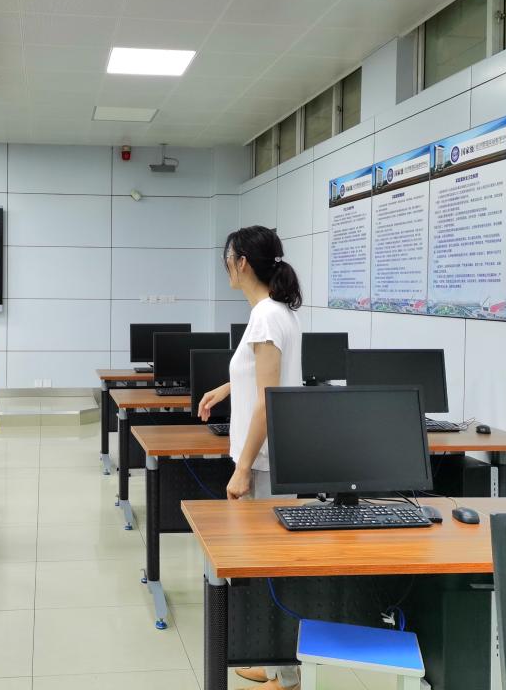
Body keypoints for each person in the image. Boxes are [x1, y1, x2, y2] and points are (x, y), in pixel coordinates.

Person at [198, 225, 304, 690]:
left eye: (228, 257)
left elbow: (266, 399)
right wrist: (225, 388)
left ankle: (286, 676)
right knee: (270, 565)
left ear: (241, 263)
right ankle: (277, 665)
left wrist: (242, 469)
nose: (226, 265)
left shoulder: (264, 317)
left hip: (262, 461)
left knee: (271, 566)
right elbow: (263, 379)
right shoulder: (277, 312)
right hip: (274, 455)